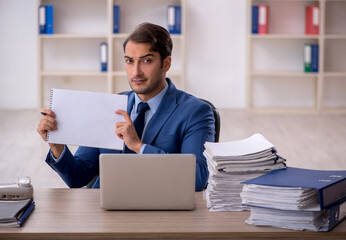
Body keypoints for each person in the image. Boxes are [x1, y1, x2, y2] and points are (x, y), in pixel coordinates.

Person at [37, 22, 215, 191]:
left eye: (146, 61)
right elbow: (78, 177)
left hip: (161, 212)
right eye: (129, 61)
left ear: (166, 63)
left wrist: (139, 146)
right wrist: (58, 147)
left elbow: (198, 178)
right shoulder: (110, 106)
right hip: (107, 212)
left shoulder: (196, 112)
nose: (135, 71)